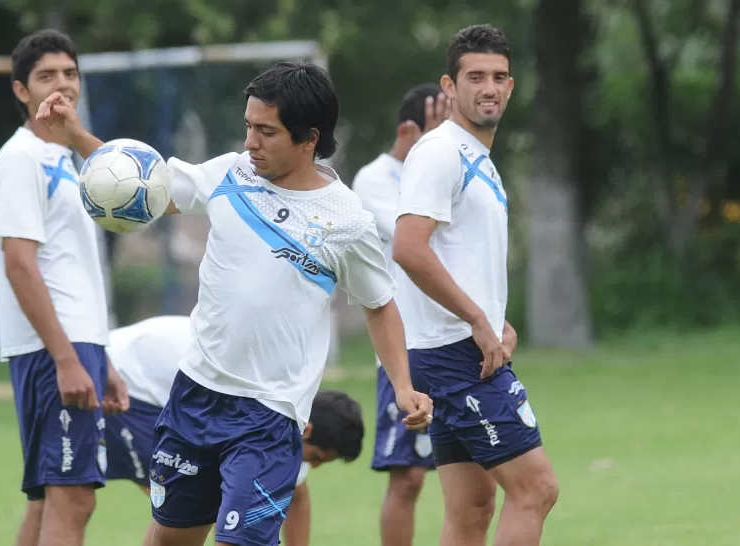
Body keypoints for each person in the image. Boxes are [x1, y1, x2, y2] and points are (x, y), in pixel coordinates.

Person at [36, 59, 434, 546]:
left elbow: (379, 304)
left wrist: (403, 384)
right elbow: (142, 185)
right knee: (168, 540)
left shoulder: (346, 220)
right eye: (248, 126)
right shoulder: (230, 173)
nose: (250, 142)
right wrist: (77, 135)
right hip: (195, 396)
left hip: (269, 415)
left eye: (266, 132)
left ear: (309, 138)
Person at [391, 24, 560, 546]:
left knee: (472, 509)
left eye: (500, 77)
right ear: (450, 86)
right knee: (536, 488)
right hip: (455, 355)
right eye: (476, 76)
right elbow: (409, 247)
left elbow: (453, 255)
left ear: (511, 87)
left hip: (456, 349)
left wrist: (492, 315)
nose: (489, 87)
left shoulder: (476, 156)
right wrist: (477, 320)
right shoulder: (440, 152)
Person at [0, 29, 129, 546]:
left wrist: (101, 357)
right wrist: (67, 358)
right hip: (54, 351)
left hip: (77, 345)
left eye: (70, 74)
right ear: (22, 91)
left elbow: (71, 267)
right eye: (47, 76)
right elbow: (19, 265)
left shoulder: (62, 160)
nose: (61, 85)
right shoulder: (22, 158)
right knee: (74, 496)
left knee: (51, 498)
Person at [101, 315, 365, 546]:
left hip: (169, 397)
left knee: (191, 510)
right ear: (308, 430)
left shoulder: (284, 415)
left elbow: (298, 496)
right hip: (122, 379)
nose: (313, 466)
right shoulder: (265, 401)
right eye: (317, 457)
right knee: (186, 508)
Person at [353, 83, 451, 546]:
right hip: (406, 346)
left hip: (455, 337)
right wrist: (431, 153)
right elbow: (412, 238)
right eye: (434, 129)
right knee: (408, 476)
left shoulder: (457, 167)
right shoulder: (373, 178)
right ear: (405, 130)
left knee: (473, 472)